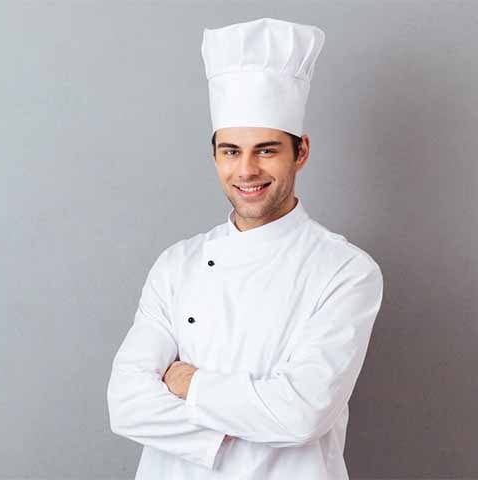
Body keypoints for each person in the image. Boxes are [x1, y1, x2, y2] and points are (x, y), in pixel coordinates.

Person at [106, 17, 384, 480]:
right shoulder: (178, 264)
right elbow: (126, 404)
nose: (247, 170)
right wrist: (234, 428)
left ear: (302, 151)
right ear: (214, 155)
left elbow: (302, 413)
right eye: (231, 151)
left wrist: (189, 382)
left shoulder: (346, 271)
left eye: (267, 150)